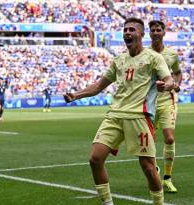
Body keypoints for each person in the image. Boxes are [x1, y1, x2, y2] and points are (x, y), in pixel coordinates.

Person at [64, 17, 174, 205]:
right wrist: (76, 95)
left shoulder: (154, 58)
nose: (127, 33)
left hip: (139, 116)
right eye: (125, 30)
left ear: (141, 34)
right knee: (95, 159)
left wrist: (166, 85)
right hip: (115, 115)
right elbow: (99, 85)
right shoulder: (119, 59)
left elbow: (169, 79)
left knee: (148, 167)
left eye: (132, 29)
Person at [149, 20, 182, 193]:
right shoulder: (144, 54)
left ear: (163, 32)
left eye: (158, 30)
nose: (155, 32)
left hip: (167, 100)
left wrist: (176, 84)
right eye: (152, 30)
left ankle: (167, 178)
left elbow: (177, 72)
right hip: (149, 102)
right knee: (150, 142)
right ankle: (154, 168)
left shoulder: (171, 54)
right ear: (149, 33)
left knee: (169, 138)